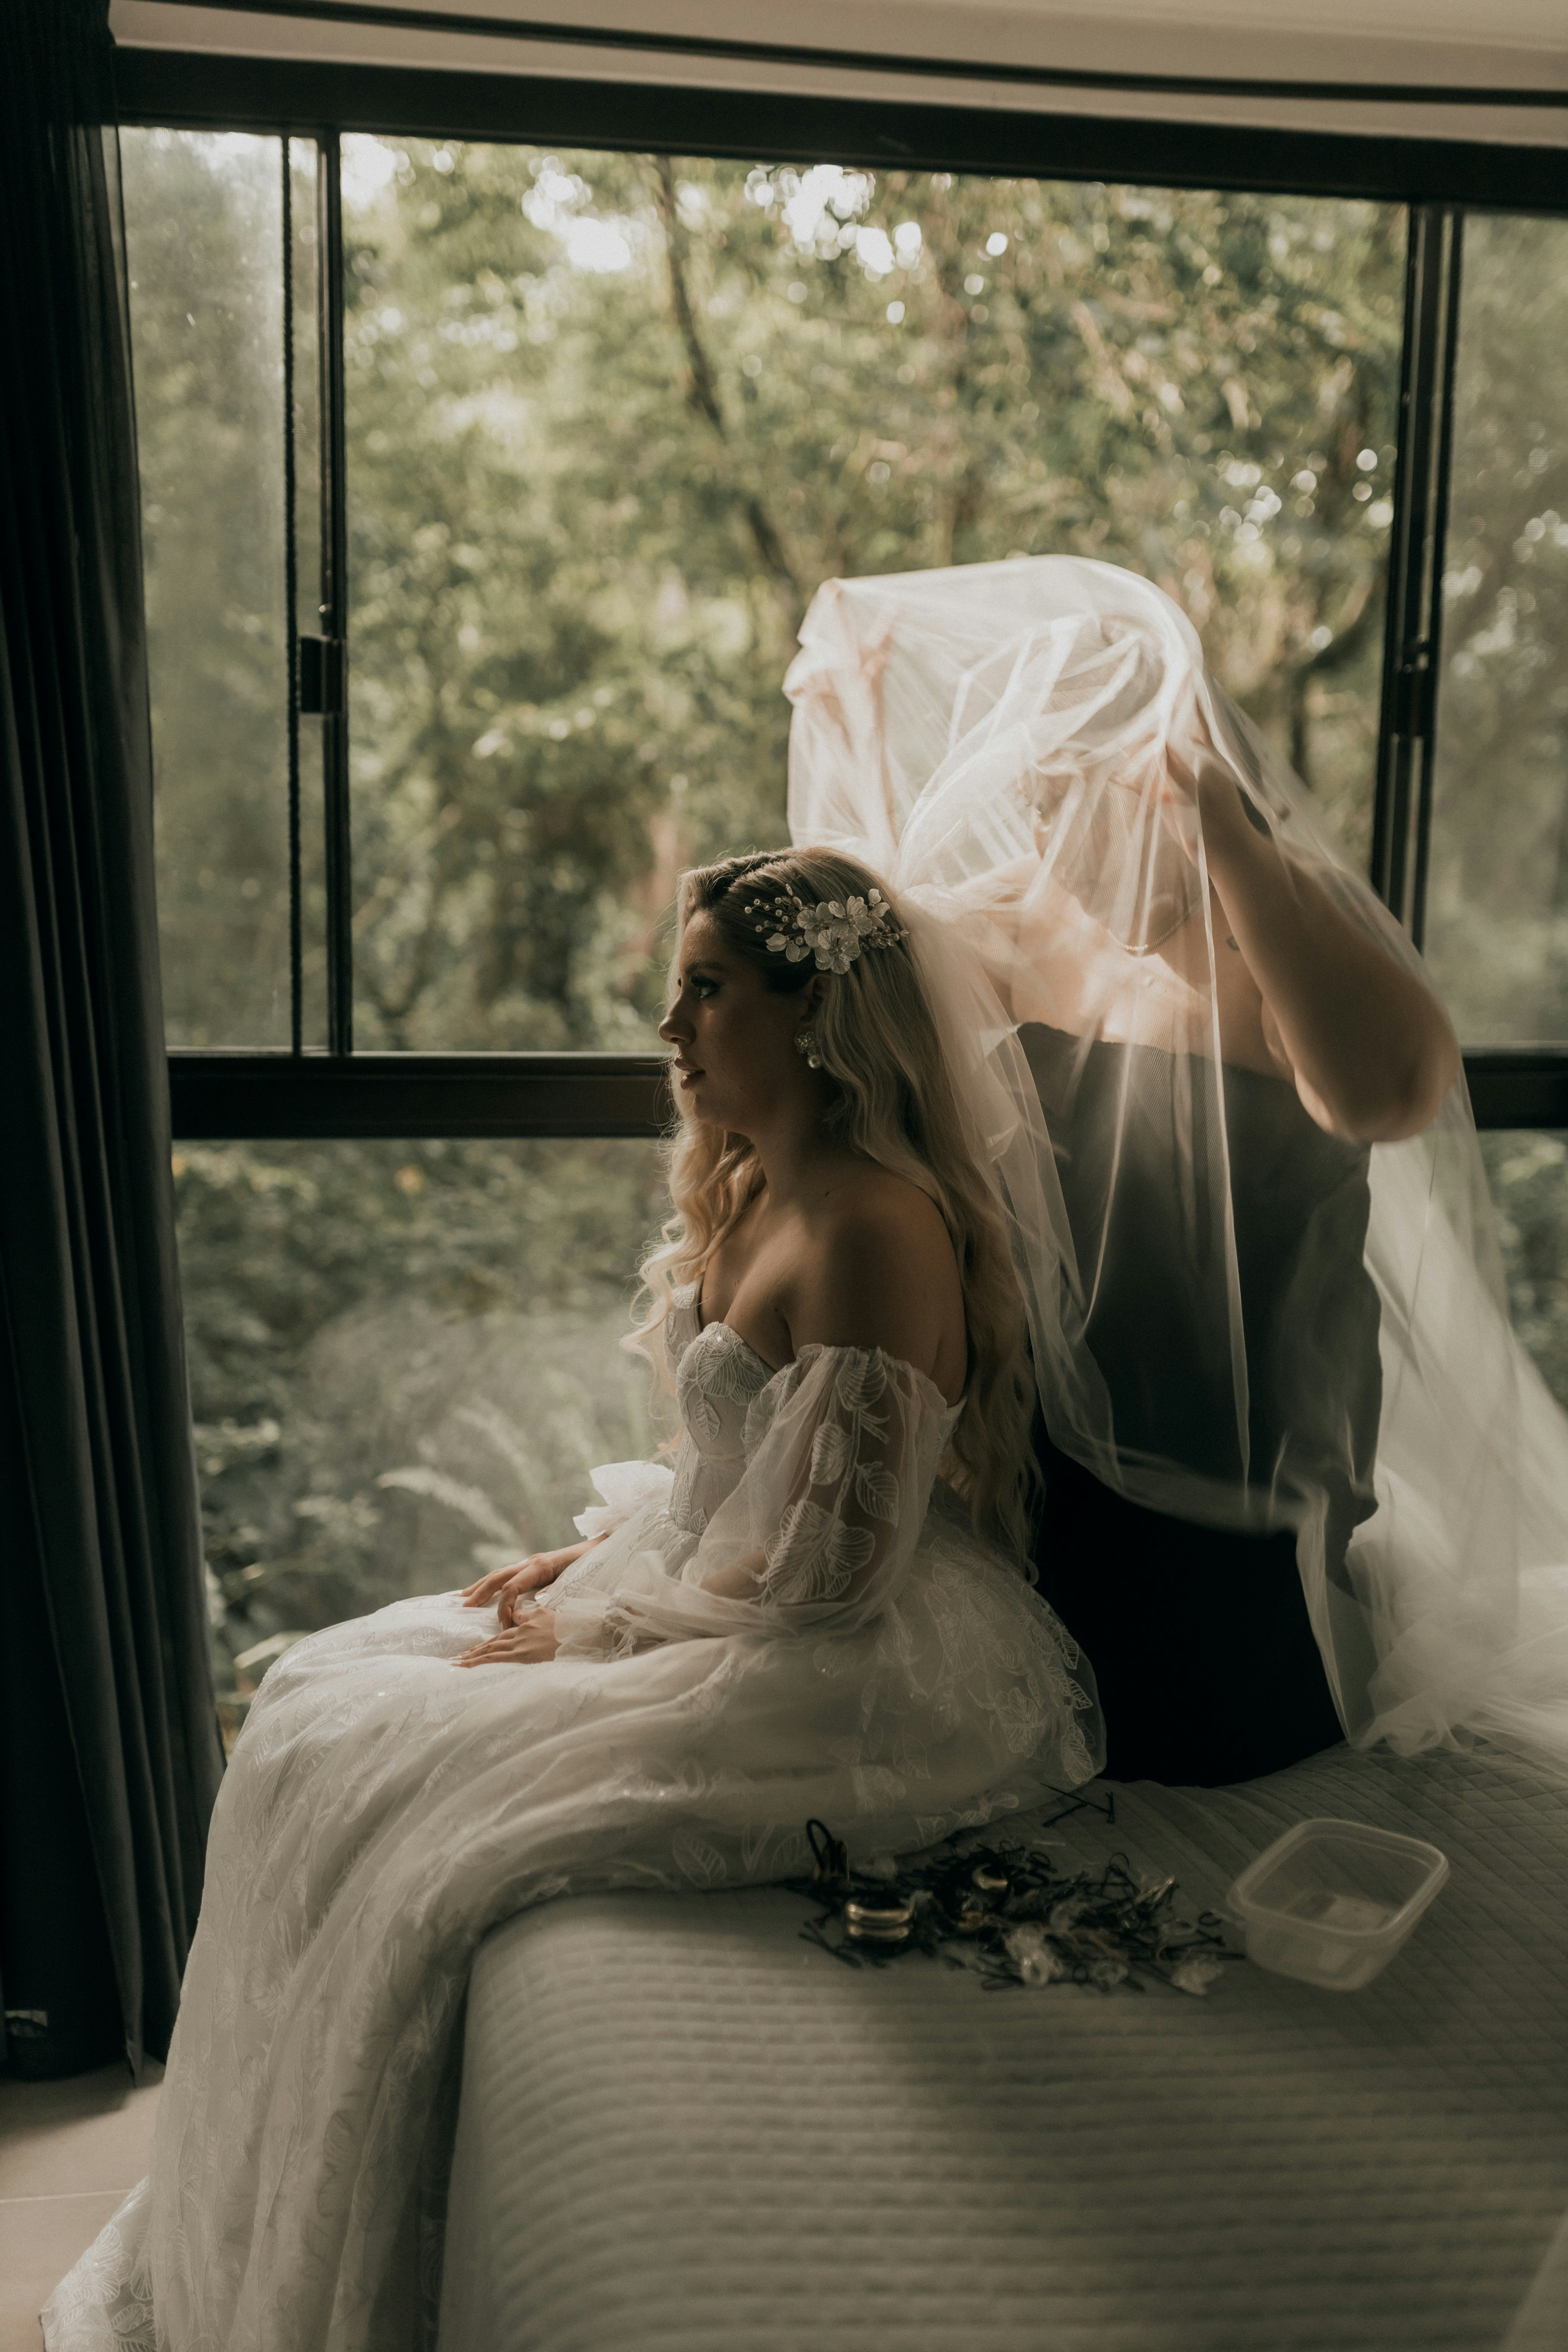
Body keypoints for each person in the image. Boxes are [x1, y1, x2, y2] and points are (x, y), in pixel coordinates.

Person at [44, 846, 1101, 2352]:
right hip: (716, 1590)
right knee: (309, 1702)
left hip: (847, 1649)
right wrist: (589, 1562)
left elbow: (833, 1571)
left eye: (705, 991)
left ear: (812, 1013)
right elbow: (728, 1483)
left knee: (412, 1817)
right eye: (675, 990)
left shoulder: (875, 1223)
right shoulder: (755, 1186)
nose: (670, 1028)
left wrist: (603, 1628)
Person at [784, 553, 1568, 1782]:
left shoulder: (1281, 932)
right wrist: (859, 720)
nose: (1059, 838)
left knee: (1195, 1733)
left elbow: (1389, 1091)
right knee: (981, 1721)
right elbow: (859, 961)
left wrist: (1228, 840)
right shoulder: (1013, 918)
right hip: (1045, 1454)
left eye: (1099, 802)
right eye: (1040, 800)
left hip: (1243, 1480)